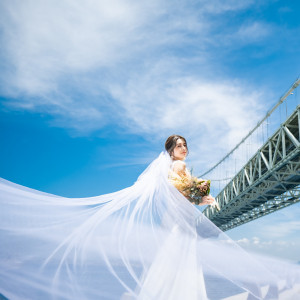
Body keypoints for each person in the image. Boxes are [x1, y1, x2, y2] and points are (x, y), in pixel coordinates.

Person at [0, 135, 300, 300]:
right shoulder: (180, 168)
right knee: (183, 259)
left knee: (174, 260)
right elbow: (183, 192)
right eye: (179, 145)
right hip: (179, 221)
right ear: (170, 150)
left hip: (172, 221)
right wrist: (202, 197)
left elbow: (178, 193)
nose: (184, 148)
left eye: (185, 144)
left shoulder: (171, 170)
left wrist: (199, 196)